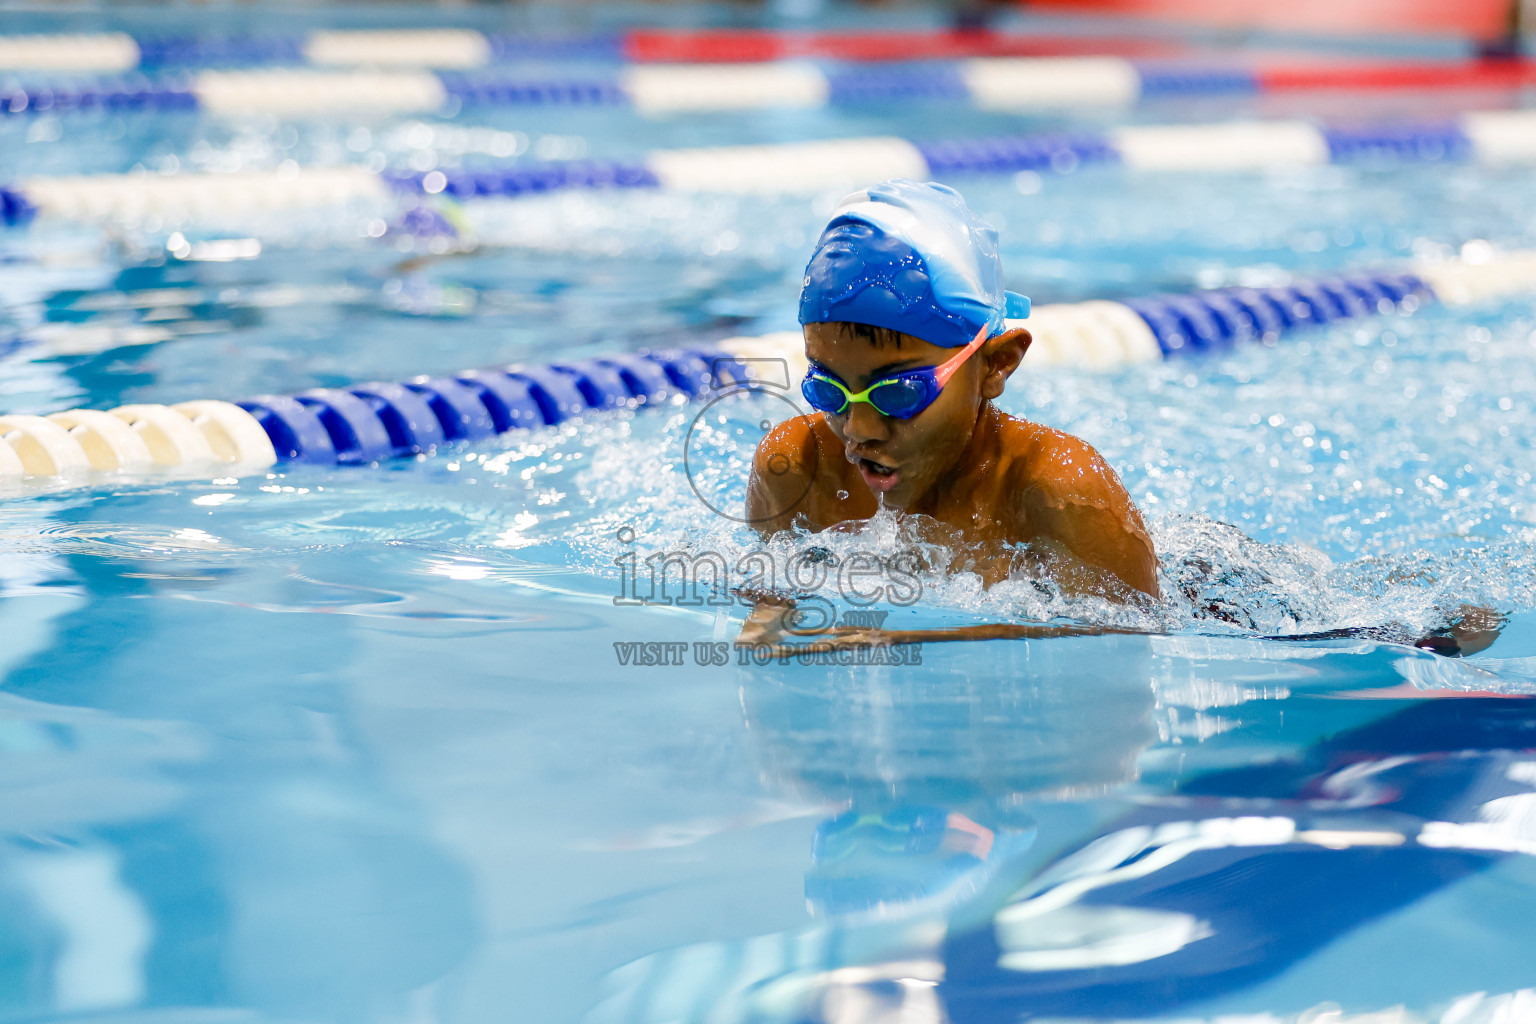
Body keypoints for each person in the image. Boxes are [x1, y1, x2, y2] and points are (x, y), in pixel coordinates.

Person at [746, 178, 1158, 602]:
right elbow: (766, 618)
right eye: (828, 389)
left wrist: (898, 631)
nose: (858, 431)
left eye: (899, 392)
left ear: (996, 363)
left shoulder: (1062, 496)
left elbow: (1128, 638)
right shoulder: (799, 470)